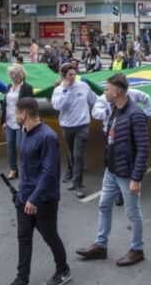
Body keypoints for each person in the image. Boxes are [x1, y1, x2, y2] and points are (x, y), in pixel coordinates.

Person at [76, 74, 149, 267]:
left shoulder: (136, 114)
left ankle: (137, 249)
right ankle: (100, 245)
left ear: (116, 92)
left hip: (127, 174)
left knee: (133, 212)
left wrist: (136, 178)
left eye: (107, 89)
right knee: (104, 206)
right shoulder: (115, 109)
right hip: (112, 170)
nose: (105, 92)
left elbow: (143, 148)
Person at [10, 97, 70, 285]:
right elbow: (28, 166)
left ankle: (63, 270)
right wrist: (21, 192)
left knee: (50, 235)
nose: (14, 116)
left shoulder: (47, 137)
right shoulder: (25, 131)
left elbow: (49, 172)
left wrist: (34, 199)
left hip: (43, 199)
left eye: (16, 113)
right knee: (23, 237)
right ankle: (22, 277)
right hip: (24, 197)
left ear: (24, 114)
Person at [51, 63, 98, 199]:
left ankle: (78, 185)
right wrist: (65, 91)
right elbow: (57, 106)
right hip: (67, 126)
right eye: (69, 75)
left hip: (82, 126)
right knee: (71, 155)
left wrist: (107, 106)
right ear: (64, 76)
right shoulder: (59, 90)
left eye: (74, 74)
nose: (72, 77)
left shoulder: (83, 86)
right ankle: (75, 180)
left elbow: (94, 99)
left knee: (78, 156)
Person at [2, 64, 34, 180]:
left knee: (21, 146)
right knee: (10, 145)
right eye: (10, 75)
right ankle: (13, 169)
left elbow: (31, 105)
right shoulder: (9, 86)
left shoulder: (27, 87)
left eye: (14, 74)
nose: (12, 77)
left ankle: (26, 169)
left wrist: (27, 121)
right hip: (9, 121)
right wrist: (4, 121)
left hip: (21, 122)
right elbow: (5, 105)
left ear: (20, 75)